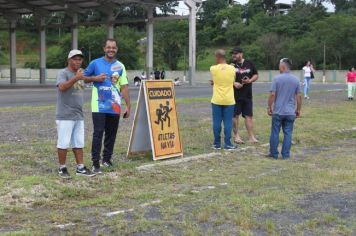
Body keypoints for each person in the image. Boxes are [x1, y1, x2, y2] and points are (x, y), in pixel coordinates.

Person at [84, 38, 131, 174]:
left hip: (114, 106)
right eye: (108, 47)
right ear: (104, 49)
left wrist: (128, 106)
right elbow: (82, 77)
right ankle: (95, 163)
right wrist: (95, 78)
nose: (111, 50)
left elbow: (124, 87)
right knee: (98, 133)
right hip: (99, 105)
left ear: (116, 49)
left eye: (113, 48)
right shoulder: (95, 63)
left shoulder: (120, 66)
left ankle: (107, 159)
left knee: (111, 134)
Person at [56, 49, 104, 178]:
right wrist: (75, 78)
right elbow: (61, 87)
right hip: (65, 115)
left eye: (79, 59)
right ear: (69, 60)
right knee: (63, 143)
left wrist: (96, 78)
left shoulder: (80, 74)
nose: (77, 61)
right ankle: (62, 168)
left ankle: (80, 168)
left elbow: (86, 79)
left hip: (78, 115)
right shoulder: (63, 73)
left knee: (78, 143)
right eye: (75, 59)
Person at [267, 58, 302, 159]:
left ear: (283, 66)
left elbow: (272, 94)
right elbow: (298, 96)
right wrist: (298, 109)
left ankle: (273, 154)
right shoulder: (296, 80)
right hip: (290, 112)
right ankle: (286, 154)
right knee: (288, 133)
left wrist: (269, 107)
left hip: (278, 111)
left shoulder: (276, 79)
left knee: (275, 132)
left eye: (279, 66)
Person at [210, 49, 237, 151]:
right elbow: (232, 80)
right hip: (229, 100)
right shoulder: (232, 68)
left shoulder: (213, 68)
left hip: (217, 99)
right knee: (228, 122)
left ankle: (217, 144)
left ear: (217, 57)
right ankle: (228, 143)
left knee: (216, 122)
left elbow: (216, 79)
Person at [231, 47, 259, 144]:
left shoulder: (249, 63)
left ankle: (251, 137)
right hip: (234, 96)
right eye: (232, 54)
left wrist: (250, 80)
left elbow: (256, 74)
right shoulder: (230, 65)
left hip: (247, 95)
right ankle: (236, 136)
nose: (233, 55)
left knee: (248, 116)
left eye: (236, 53)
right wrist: (234, 83)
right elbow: (226, 78)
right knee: (235, 116)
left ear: (241, 54)